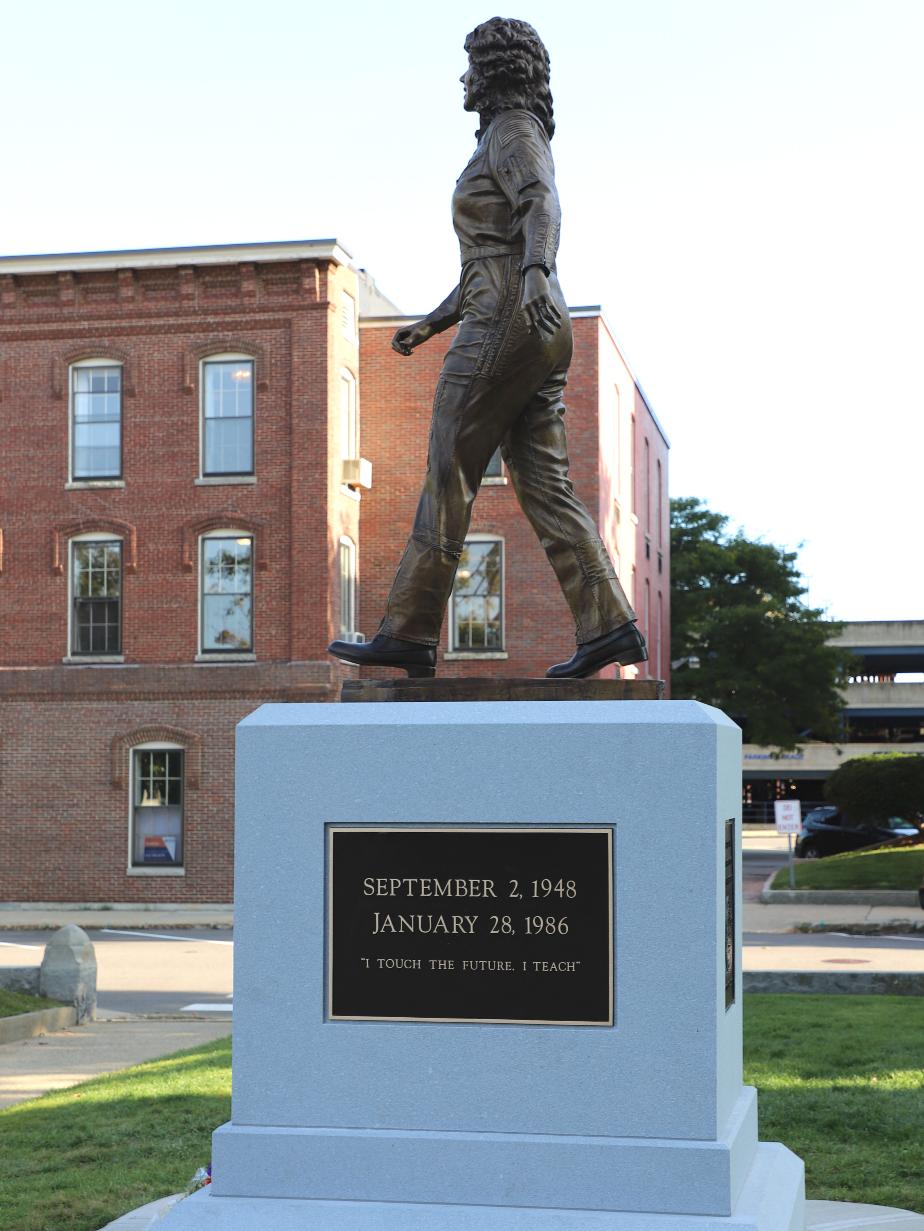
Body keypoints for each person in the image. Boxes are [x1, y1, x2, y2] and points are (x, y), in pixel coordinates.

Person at [328, 17, 647, 680]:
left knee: (450, 464)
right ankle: (609, 624)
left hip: (510, 311)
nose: (462, 77)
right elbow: (486, 257)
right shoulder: (507, 136)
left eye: (470, 64)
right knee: (544, 484)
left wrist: (534, 272)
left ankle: (410, 632)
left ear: (495, 71)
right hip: (521, 314)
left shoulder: (513, 132)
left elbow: (541, 205)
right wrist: (432, 322)